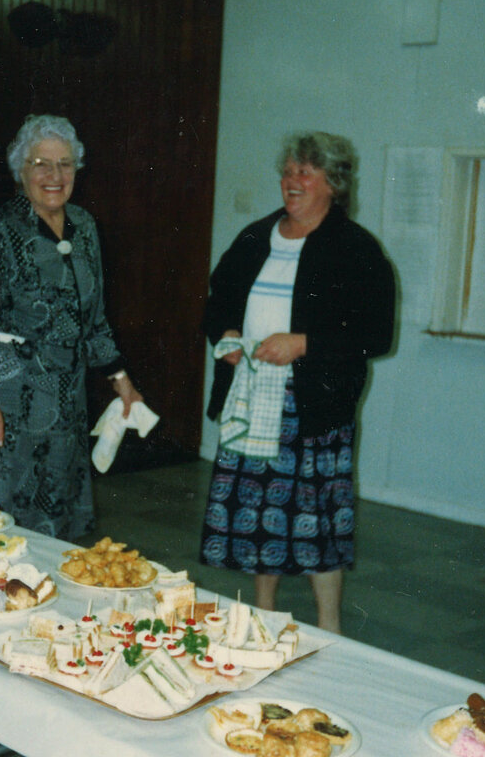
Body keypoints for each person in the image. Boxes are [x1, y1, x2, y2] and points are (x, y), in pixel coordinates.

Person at [199, 131, 396, 633]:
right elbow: (217, 299)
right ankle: (262, 618)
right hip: (253, 391)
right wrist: (226, 332)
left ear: (334, 183)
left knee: (316, 517)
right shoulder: (254, 236)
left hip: (312, 403)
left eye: (306, 172)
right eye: (288, 171)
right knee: (260, 510)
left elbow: (375, 333)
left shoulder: (355, 248)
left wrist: (303, 343)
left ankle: (329, 626)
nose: (293, 181)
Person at [0, 114, 143, 540]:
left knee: (53, 529)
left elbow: (92, 318)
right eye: (40, 163)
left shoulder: (84, 229)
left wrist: (121, 379)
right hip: (5, 405)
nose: (54, 175)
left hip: (64, 409)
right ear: (20, 171)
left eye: (65, 163)